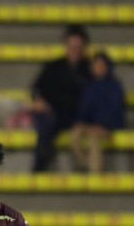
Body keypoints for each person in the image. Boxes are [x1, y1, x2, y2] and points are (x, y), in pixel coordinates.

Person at [31, 24, 91, 172]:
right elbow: (37, 88)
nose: (75, 51)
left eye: (78, 47)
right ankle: (39, 169)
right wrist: (38, 99)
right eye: (71, 46)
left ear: (85, 47)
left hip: (81, 118)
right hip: (55, 116)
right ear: (66, 45)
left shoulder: (91, 69)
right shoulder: (54, 67)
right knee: (44, 121)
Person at [70, 51, 126, 173]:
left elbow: (115, 109)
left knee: (93, 139)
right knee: (75, 134)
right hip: (90, 125)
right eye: (95, 65)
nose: (98, 68)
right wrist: (81, 121)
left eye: (101, 65)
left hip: (108, 125)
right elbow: (84, 108)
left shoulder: (115, 86)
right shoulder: (88, 85)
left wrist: (102, 124)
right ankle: (82, 164)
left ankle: (95, 173)